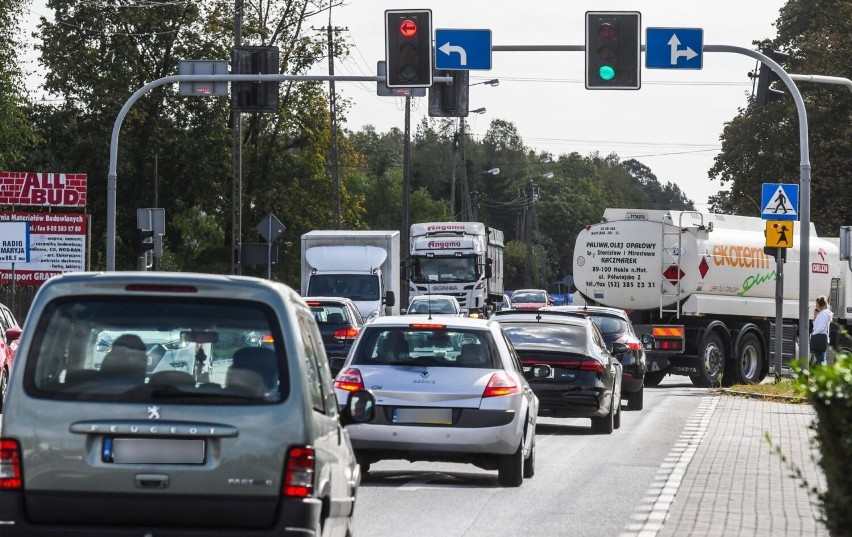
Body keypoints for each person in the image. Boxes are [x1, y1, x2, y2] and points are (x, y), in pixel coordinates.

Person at [811, 295, 832, 366]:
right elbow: (817, 326)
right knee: (821, 360)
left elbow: (821, 328)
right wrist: (815, 316)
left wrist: (813, 334)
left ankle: (824, 376)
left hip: (819, 338)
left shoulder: (823, 314)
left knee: (821, 361)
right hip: (821, 339)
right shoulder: (822, 313)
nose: (816, 307)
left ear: (821, 305)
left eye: (817, 305)